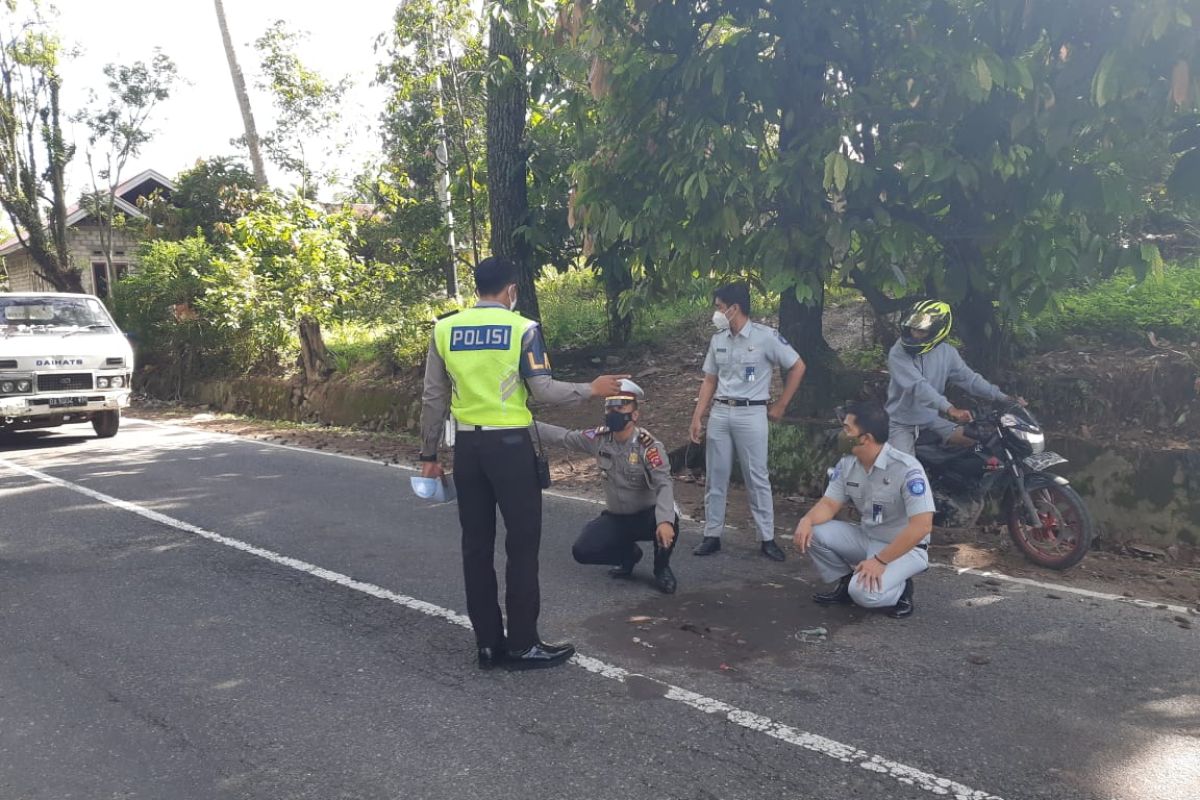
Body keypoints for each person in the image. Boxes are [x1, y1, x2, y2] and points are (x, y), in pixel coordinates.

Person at [418, 256, 627, 671]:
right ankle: (523, 645)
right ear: (511, 290)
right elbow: (544, 391)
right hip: (512, 448)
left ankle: (487, 645)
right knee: (522, 544)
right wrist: (592, 389)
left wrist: (428, 455)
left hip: (468, 450)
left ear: (478, 287)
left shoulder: (444, 329)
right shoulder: (522, 328)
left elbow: (432, 398)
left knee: (475, 547)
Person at [689, 282, 806, 562]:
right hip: (721, 411)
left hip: (751, 413)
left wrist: (781, 404)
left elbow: (798, 366)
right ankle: (712, 534)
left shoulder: (766, 337)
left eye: (719, 307)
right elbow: (709, 379)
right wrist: (697, 416)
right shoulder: (718, 339)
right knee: (715, 476)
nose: (716, 312)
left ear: (734, 308)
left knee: (757, 477)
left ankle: (766, 538)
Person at [534, 380, 680, 595]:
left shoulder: (648, 447)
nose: (614, 413)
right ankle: (629, 556)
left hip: (646, 516)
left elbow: (664, 483)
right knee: (582, 550)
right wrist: (523, 424)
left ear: (635, 415)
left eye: (620, 408)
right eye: (610, 408)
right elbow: (563, 437)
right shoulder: (599, 439)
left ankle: (661, 568)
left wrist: (665, 521)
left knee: (670, 522)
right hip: (617, 517)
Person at [793, 401, 934, 618]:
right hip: (868, 537)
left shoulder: (907, 468)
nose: (842, 433)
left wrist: (879, 561)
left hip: (905, 547)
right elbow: (829, 504)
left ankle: (902, 589)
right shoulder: (847, 463)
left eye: (847, 429)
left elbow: (922, 526)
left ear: (865, 438)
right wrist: (807, 520)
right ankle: (846, 581)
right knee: (814, 532)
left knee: (864, 595)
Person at [886, 300, 1022, 455]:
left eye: (921, 331)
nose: (915, 334)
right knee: (907, 472)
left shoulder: (947, 353)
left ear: (938, 330)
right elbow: (918, 386)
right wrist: (950, 409)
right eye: (912, 329)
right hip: (902, 424)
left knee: (978, 444)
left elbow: (969, 379)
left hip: (931, 420)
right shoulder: (898, 353)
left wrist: (1004, 398)